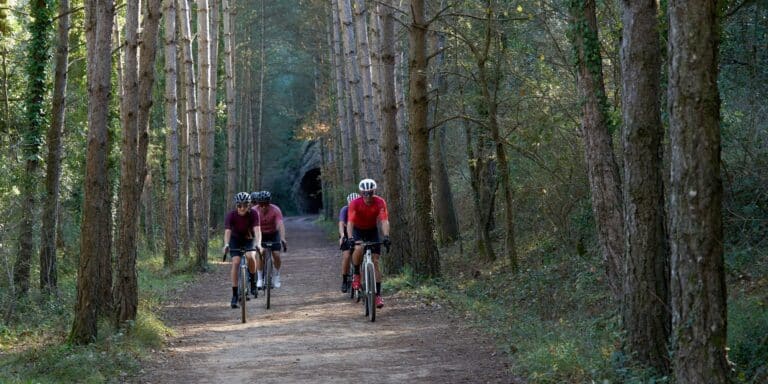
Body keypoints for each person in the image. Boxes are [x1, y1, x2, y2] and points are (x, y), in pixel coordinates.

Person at [347, 178, 390, 308]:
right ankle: (356, 273)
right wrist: (350, 238)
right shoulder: (355, 203)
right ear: (361, 193)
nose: (367, 196)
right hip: (358, 230)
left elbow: (384, 221)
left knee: (375, 262)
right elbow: (350, 223)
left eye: (370, 193)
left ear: (373, 192)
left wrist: (386, 236)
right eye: (364, 193)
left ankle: (377, 296)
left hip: (372, 231)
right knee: (358, 249)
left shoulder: (379, 202)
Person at [223, 192, 263, 308]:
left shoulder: (254, 214)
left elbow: (257, 230)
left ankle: (253, 282)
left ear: (249, 205)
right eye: (239, 205)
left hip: (248, 239)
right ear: (236, 206)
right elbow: (227, 232)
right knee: (235, 262)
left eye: (245, 205)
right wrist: (226, 244)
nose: (242, 208)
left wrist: (259, 244)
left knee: (250, 256)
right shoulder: (231, 215)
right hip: (235, 240)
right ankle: (235, 295)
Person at [251, 190, 286, 288]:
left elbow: (280, 224)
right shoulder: (254, 210)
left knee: (276, 255)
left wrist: (282, 238)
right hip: (260, 235)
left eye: (266, 205)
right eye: (261, 205)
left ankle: (276, 275)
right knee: (260, 252)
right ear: (258, 204)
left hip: (273, 234)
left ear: (269, 203)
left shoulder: (275, 210)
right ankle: (260, 279)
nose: (263, 207)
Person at [338, 192, 360, 293]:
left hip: (358, 233)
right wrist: (342, 235)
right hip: (346, 234)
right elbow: (341, 223)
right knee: (346, 256)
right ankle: (344, 280)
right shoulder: (344, 210)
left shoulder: (361, 209)